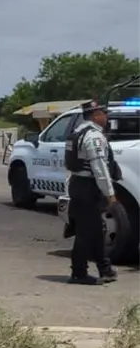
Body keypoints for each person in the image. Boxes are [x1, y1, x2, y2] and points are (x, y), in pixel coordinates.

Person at [64, 100, 118, 285]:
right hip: (88, 187)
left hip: (78, 184)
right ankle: (78, 273)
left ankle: (105, 269)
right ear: (95, 116)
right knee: (86, 232)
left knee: (95, 230)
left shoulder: (77, 133)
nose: (106, 116)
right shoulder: (93, 136)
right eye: (104, 113)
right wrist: (110, 194)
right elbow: (99, 167)